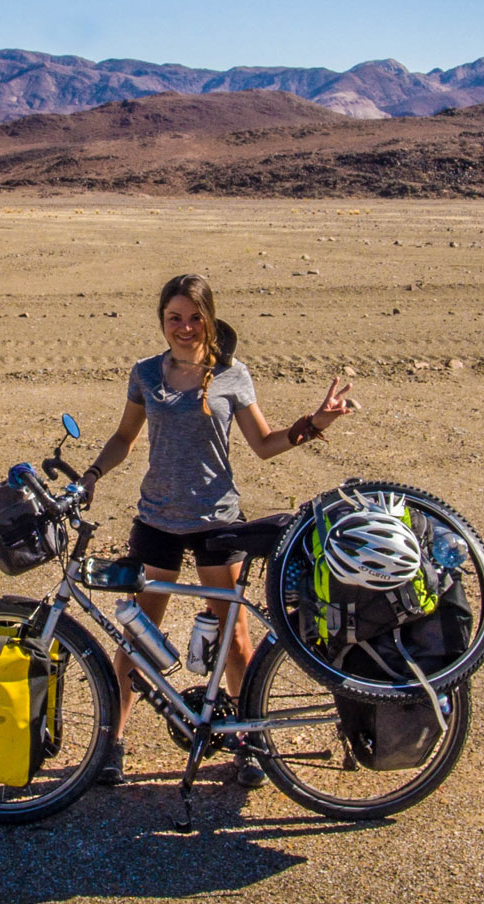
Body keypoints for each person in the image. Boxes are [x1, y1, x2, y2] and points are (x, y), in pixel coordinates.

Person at [79, 273, 354, 787]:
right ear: (161, 321)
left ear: (210, 317)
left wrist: (315, 424)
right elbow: (123, 437)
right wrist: (92, 475)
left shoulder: (232, 375)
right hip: (157, 521)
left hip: (217, 524)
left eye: (193, 317)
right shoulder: (144, 373)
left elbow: (266, 443)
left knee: (235, 640)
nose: (184, 328)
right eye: (173, 318)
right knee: (138, 637)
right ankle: (111, 744)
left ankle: (250, 742)